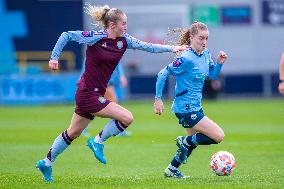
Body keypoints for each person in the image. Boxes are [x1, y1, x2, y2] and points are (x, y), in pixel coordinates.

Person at [36, 4, 188, 182]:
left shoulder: (125, 40)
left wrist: (172, 48)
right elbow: (66, 35)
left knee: (72, 133)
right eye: (123, 23)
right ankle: (97, 141)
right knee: (127, 117)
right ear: (112, 25)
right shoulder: (96, 37)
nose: (126, 26)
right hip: (87, 94)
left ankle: (46, 162)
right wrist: (54, 57)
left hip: (92, 94)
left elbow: (148, 46)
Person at [153, 21, 228, 178]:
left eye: (206, 38)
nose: (204, 42)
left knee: (191, 143)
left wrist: (220, 64)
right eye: (201, 38)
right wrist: (158, 99)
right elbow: (162, 74)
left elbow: (212, 75)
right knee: (218, 136)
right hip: (185, 108)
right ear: (192, 37)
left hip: (195, 106)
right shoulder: (186, 58)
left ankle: (171, 170)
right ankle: (185, 141)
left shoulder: (206, 54)